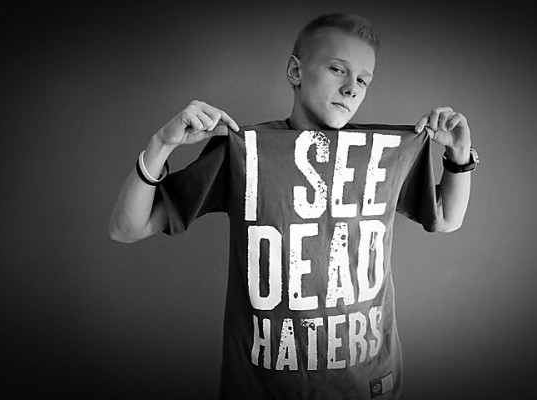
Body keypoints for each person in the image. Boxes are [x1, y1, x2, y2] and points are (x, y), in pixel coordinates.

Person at [109, 13, 477, 400]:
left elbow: (447, 218)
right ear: (295, 71)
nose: (351, 88)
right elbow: (127, 228)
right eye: (338, 69)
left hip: (369, 383)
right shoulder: (247, 152)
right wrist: (161, 145)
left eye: (363, 80)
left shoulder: (382, 153)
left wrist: (459, 156)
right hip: (265, 386)